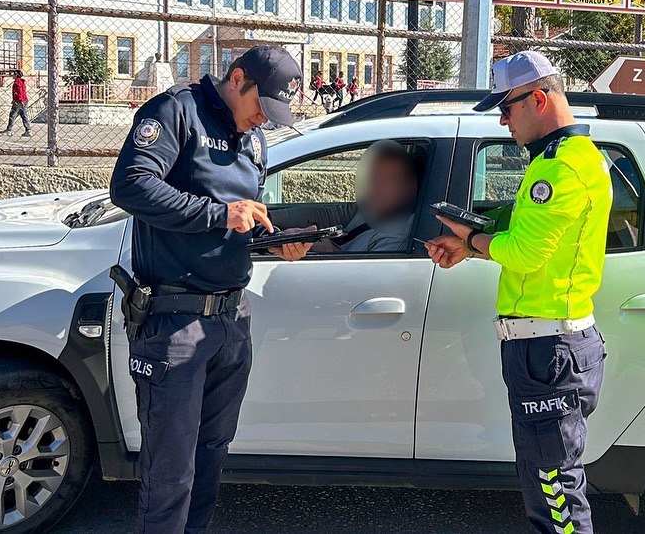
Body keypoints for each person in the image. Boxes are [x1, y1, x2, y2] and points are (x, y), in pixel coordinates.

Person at [110, 46, 312, 534]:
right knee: (170, 469)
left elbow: (244, 215)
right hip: (175, 322)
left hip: (229, 321)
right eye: (261, 105)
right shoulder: (176, 111)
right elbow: (131, 187)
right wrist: (218, 214)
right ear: (236, 78)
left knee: (210, 457)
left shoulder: (255, 139)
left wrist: (273, 241)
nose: (264, 119)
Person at [426, 51, 611, 534]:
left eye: (507, 108)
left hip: (548, 349)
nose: (504, 120)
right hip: (548, 346)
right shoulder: (570, 159)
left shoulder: (558, 170)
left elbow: (526, 254)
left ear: (540, 99)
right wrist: (475, 248)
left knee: (554, 490)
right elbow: (531, 246)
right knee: (548, 481)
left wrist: (468, 240)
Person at [271, 140, 420, 253]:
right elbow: (325, 215)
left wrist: (331, 253)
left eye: (389, 180)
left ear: (410, 187)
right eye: (374, 177)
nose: (376, 187)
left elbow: (364, 282)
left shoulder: (396, 239)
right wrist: (267, 218)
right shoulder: (376, 208)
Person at [1, 69, 31, 137]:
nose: (12, 75)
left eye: (13, 74)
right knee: (24, 115)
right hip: (24, 100)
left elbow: (19, 91)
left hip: (19, 101)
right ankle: (28, 130)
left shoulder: (17, 82)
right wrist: (15, 99)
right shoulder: (22, 81)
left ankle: (9, 130)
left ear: (16, 75)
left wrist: (19, 100)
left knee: (12, 115)